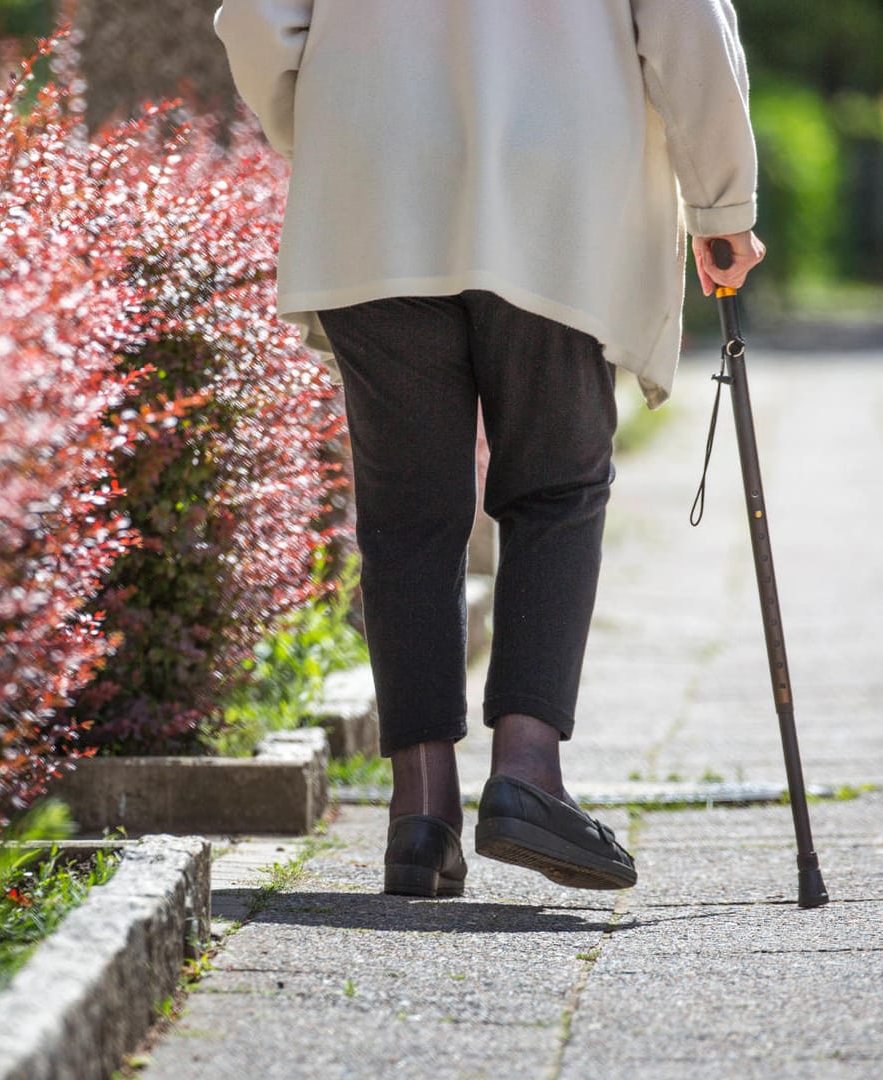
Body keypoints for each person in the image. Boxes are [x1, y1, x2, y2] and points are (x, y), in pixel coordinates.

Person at [215, 0, 765, 898]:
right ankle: (527, 774)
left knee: (407, 513)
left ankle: (420, 816)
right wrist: (723, 203)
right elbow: (687, 28)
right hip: (560, 193)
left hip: (375, 174)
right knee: (555, 487)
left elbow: (253, 24)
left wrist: (321, 127)